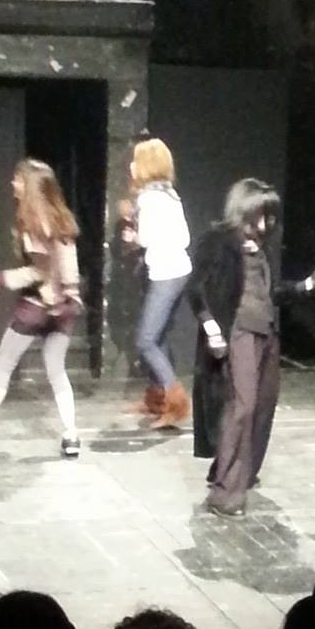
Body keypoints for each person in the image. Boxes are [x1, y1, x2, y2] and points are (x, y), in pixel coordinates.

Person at [188, 178, 315, 518]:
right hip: (238, 333)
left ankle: (238, 472)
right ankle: (225, 492)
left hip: (265, 333)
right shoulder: (219, 241)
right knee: (243, 406)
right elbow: (195, 289)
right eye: (258, 217)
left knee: (264, 404)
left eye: (269, 217)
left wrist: (309, 284)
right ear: (243, 211)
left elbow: (270, 294)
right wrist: (212, 329)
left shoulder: (260, 250)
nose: (265, 225)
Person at [0, 159, 82, 456]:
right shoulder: (62, 220)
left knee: (3, 365)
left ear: (30, 186)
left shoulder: (34, 222)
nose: (13, 184)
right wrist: (70, 297)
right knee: (56, 369)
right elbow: (68, 268)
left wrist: (0, 278)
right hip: (65, 308)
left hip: (37, 307)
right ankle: (71, 435)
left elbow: (38, 271)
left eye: (19, 179)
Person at [126, 138, 192, 428]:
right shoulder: (169, 194)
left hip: (166, 274)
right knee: (159, 336)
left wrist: (133, 236)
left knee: (146, 340)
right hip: (179, 270)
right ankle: (157, 398)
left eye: (135, 160)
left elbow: (146, 239)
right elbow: (185, 237)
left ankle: (176, 403)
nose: (131, 165)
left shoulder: (149, 199)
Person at [107, 198, 143, 372]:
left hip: (135, 282)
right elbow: (117, 249)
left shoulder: (139, 226)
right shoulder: (120, 227)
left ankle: (134, 359)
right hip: (123, 281)